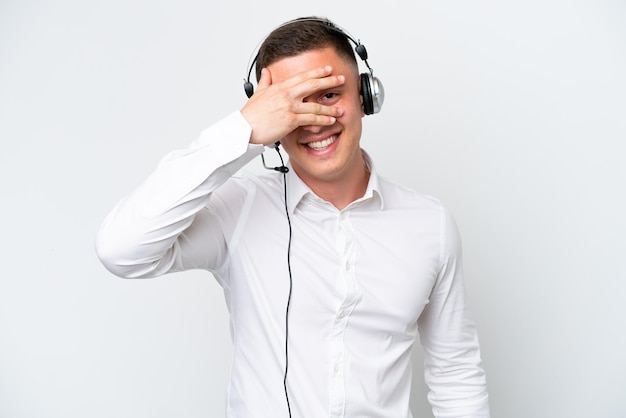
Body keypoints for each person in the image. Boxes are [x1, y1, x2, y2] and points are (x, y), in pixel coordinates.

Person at [95, 16, 490, 418]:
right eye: (293, 104)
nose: (315, 120)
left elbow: (455, 370)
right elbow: (121, 250)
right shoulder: (238, 208)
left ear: (366, 97)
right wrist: (244, 130)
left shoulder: (430, 224)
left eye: (329, 95)